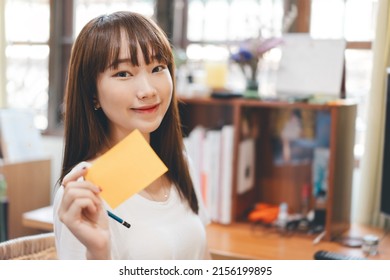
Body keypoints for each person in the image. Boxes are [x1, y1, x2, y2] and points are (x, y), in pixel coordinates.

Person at [53, 11, 210, 260]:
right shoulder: (83, 194)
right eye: (123, 73)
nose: (148, 90)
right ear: (92, 92)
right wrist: (98, 252)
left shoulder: (180, 163)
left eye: (158, 67)